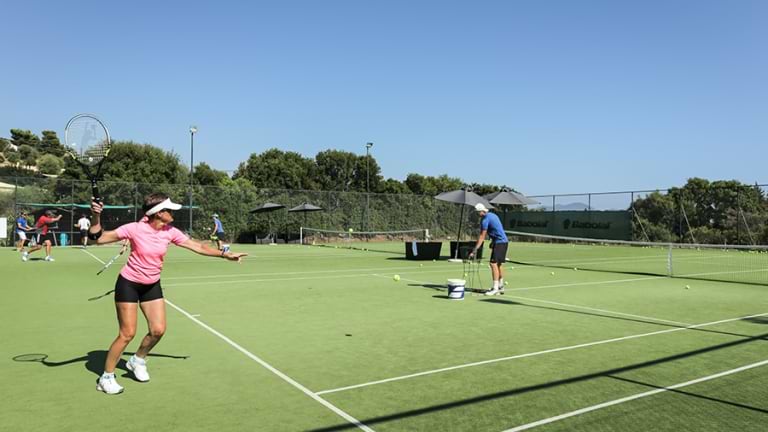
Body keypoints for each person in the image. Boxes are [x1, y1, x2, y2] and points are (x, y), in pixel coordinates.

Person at [89, 193, 247, 395]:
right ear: (158, 213)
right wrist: (96, 216)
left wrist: (226, 255)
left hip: (151, 285)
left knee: (158, 330)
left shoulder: (170, 231)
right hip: (128, 284)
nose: (172, 213)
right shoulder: (134, 229)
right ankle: (106, 377)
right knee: (127, 333)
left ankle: (137, 360)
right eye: (169, 210)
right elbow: (99, 238)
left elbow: (197, 246)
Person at [468, 203, 509, 296]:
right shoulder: (493, 215)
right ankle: (500, 286)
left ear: (481, 211)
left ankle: (495, 288)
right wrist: (493, 241)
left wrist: (475, 250)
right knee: (498, 264)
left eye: (477, 212)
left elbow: (482, 236)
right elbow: (497, 229)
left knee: (493, 263)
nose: (477, 214)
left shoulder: (485, 220)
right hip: (503, 242)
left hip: (500, 242)